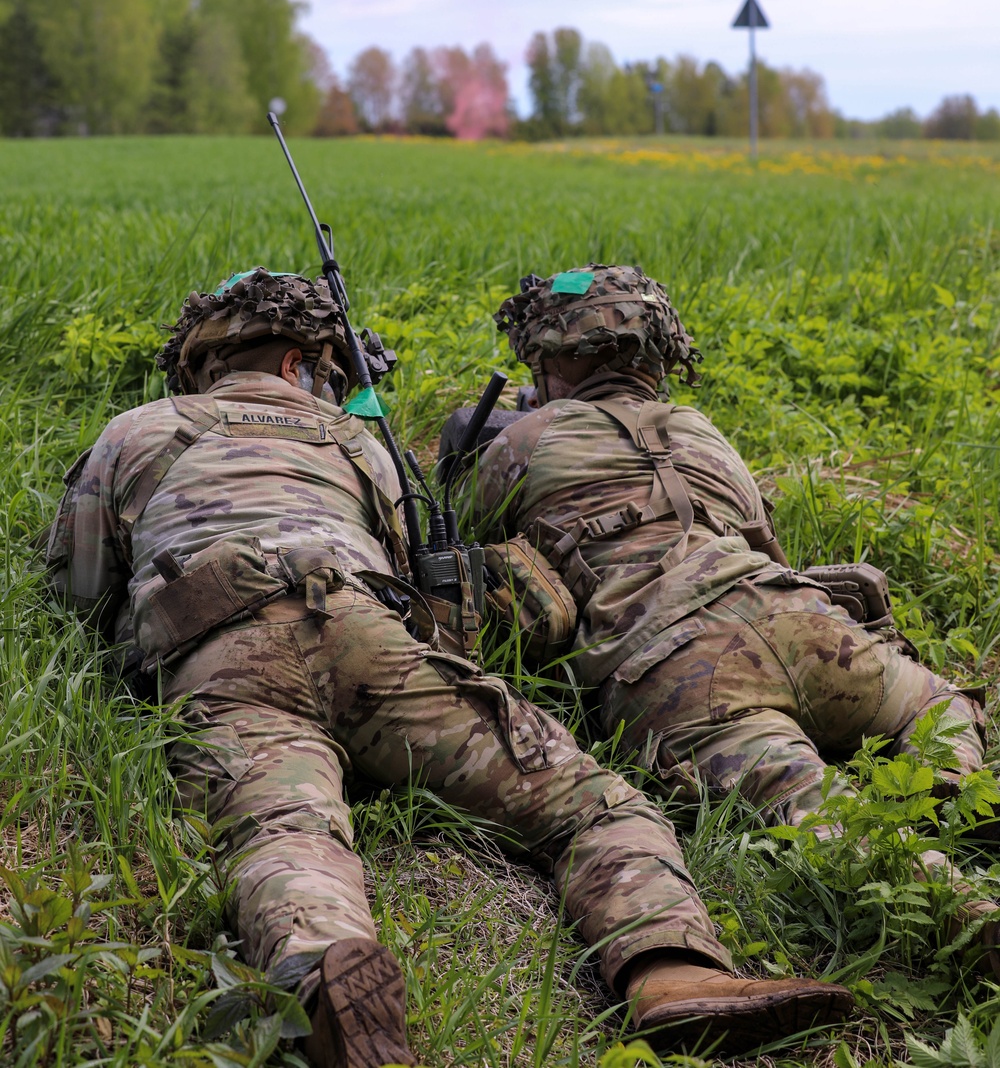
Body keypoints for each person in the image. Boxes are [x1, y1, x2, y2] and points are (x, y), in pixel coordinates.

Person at [45, 268, 851, 1066]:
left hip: (221, 658)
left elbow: (79, 591)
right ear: (303, 363)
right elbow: (411, 572)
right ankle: (670, 970)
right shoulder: (358, 441)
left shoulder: (138, 429)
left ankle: (326, 970)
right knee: (585, 805)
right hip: (367, 639)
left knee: (281, 829)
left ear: (207, 364)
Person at [469, 264, 999, 973]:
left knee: (811, 804)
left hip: (683, 670)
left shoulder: (520, 443)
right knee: (936, 704)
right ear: (658, 353)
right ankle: (953, 787)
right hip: (806, 625)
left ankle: (960, 906)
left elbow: (470, 564)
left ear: (554, 359)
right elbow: (763, 539)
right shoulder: (703, 430)